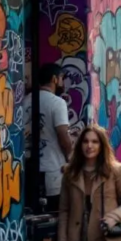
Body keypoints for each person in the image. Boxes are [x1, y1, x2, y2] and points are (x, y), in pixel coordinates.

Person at [27, 63, 72, 213]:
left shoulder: (26, 100)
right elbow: (62, 134)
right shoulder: (57, 102)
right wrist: (71, 157)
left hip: (28, 167)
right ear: (54, 79)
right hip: (52, 169)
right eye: (61, 78)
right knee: (52, 214)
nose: (62, 83)